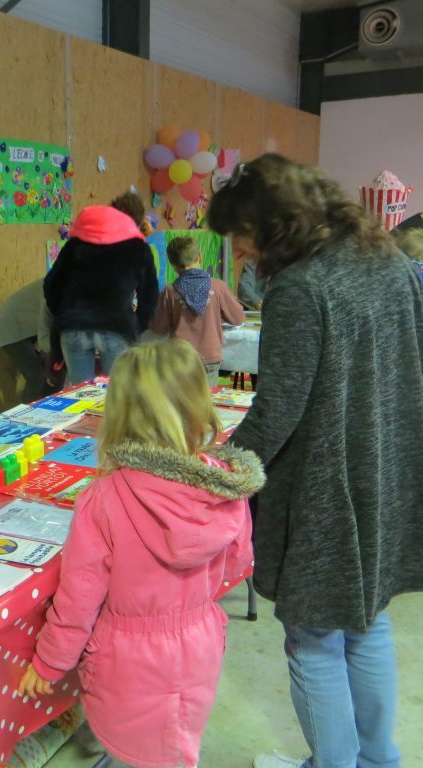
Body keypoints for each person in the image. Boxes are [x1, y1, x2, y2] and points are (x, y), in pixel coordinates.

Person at [206, 154, 423, 768]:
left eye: (242, 236)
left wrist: (213, 472)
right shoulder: (389, 261)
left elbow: (278, 410)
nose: (239, 252)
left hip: (326, 487)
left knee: (313, 637)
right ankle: (378, 760)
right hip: (388, 469)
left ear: (274, 223)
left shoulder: (301, 286)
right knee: (367, 620)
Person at [18, 340, 264, 768]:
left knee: (140, 750)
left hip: (126, 659)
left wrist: (49, 662)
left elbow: (78, 599)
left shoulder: (103, 498)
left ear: (119, 413)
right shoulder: (226, 484)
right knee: (177, 741)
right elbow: (239, 562)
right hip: (199, 647)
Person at [44, 205, 158, 385]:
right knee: (116, 392)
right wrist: (137, 326)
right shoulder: (138, 248)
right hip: (116, 326)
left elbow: (50, 285)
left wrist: (65, 312)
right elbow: (150, 297)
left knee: (80, 393)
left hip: (74, 326)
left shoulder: (75, 245)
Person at [150, 236, 244, 387]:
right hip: (209, 358)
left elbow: (159, 328)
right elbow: (238, 318)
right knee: (206, 399)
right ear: (200, 256)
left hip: (179, 357)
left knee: (179, 399)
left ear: (173, 265)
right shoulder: (218, 287)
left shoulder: (169, 291)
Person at [0, 279, 57, 403]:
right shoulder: (57, 287)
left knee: (54, 375)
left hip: (29, 327)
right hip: (10, 327)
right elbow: (48, 329)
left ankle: (46, 409)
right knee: (36, 376)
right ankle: (27, 413)